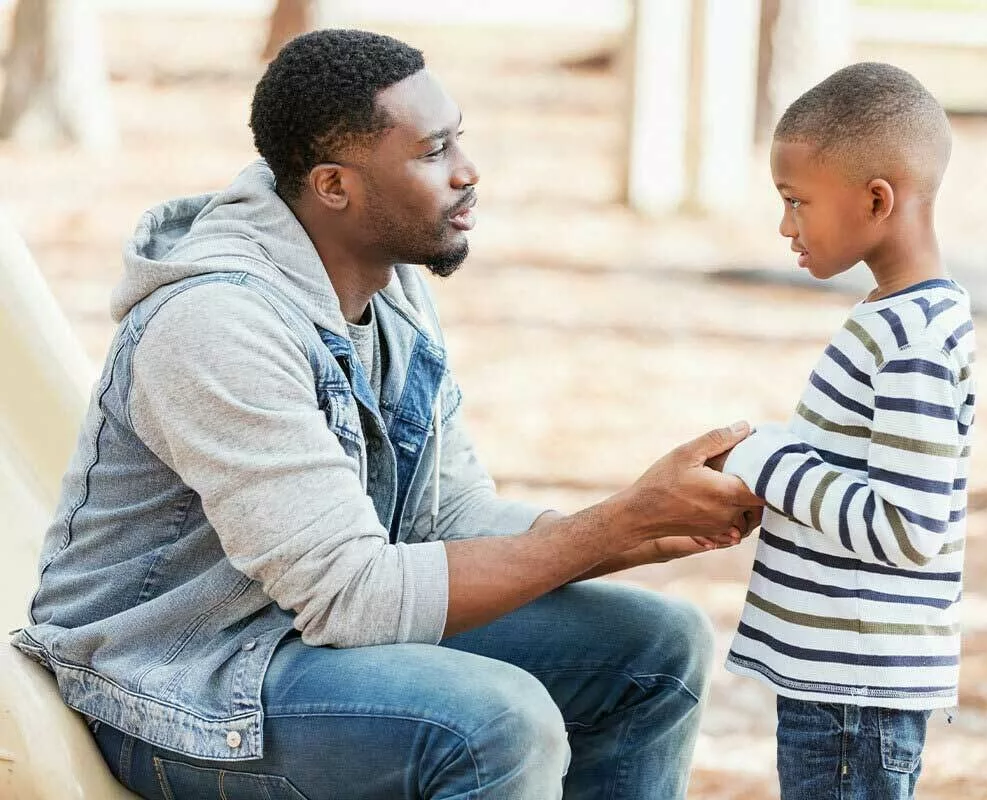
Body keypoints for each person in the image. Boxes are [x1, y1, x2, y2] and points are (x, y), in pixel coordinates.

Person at [10, 29, 764, 800]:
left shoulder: (388, 285)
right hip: (170, 686)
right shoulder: (215, 325)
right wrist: (610, 528)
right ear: (335, 186)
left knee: (655, 648)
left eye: (458, 139)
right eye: (434, 152)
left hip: (299, 636)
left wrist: (639, 530)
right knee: (495, 724)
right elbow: (354, 598)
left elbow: (449, 515)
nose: (469, 173)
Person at [710, 63, 976, 800]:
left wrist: (767, 460)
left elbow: (907, 526)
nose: (784, 226)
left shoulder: (914, 338)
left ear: (877, 199)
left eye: (796, 202)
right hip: (842, 685)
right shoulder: (897, 318)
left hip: (854, 695)